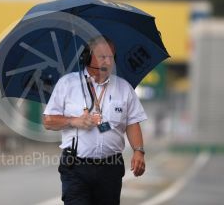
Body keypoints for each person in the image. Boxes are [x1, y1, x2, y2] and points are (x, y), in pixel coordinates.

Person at [42, 36, 147, 205]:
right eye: (102, 56)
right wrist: (74, 121)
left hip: (111, 168)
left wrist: (139, 151)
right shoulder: (67, 84)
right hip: (75, 168)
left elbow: (132, 122)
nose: (108, 61)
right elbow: (48, 121)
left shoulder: (124, 88)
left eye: (111, 57)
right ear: (87, 57)